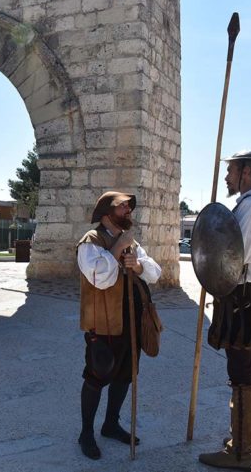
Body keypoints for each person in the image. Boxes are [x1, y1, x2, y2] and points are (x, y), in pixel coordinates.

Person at [199, 150, 251, 470]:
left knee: (242, 372)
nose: (227, 177)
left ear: (247, 172)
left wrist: (210, 264)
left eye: (231, 170)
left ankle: (240, 451)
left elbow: (235, 256)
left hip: (245, 298)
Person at [75, 191, 161, 460]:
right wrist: (117, 248)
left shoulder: (131, 242)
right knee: (98, 375)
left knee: (125, 374)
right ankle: (86, 433)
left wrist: (136, 265)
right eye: (122, 207)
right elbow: (100, 277)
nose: (128, 212)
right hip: (103, 323)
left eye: (128, 208)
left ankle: (111, 424)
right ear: (106, 213)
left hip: (132, 321)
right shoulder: (90, 242)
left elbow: (155, 273)